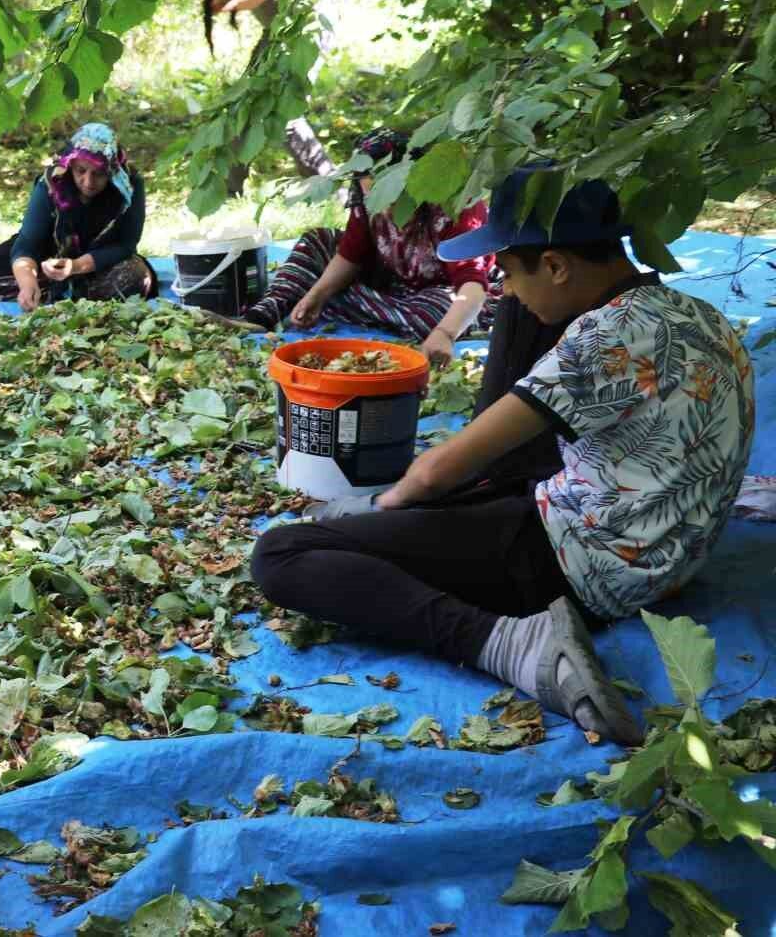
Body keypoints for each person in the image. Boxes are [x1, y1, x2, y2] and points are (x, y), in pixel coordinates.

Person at [251, 166, 756, 745]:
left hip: (583, 563)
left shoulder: (600, 341)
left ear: (557, 265)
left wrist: (387, 506)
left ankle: (511, 645)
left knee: (284, 553)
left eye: (510, 272)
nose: (504, 290)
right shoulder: (696, 313)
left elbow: (440, 470)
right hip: (665, 550)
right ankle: (438, 525)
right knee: (518, 337)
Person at [234, 128, 497, 365]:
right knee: (318, 241)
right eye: (374, 196)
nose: (383, 207)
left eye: (392, 197)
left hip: (444, 293)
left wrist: (445, 333)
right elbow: (351, 254)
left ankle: (339, 303)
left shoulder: (454, 205)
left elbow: (472, 284)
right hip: (392, 282)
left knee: (431, 315)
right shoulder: (366, 200)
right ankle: (261, 317)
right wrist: (317, 295)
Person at [0, 123, 157, 311]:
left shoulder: (129, 186)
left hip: (100, 260)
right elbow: (28, 242)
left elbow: (126, 244)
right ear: (70, 165)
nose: (88, 182)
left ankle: (64, 294)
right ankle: (49, 292)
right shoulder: (52, 183)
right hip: (48, 256)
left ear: (112, 171)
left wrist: (76, 267)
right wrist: (27, 282)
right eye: (81, 171)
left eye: (99, 174)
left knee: (136, 277)